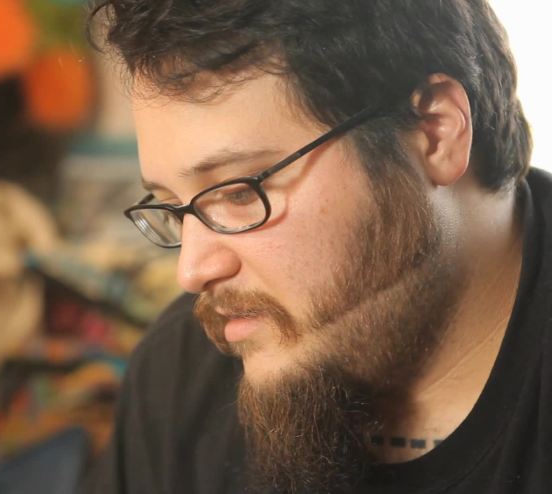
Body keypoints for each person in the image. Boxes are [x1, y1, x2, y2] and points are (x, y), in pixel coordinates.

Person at [84, 1, 552, 493]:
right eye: (172, 206)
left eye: (239, 192)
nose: (193, 271)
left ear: (435, 132)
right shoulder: (179, 375)